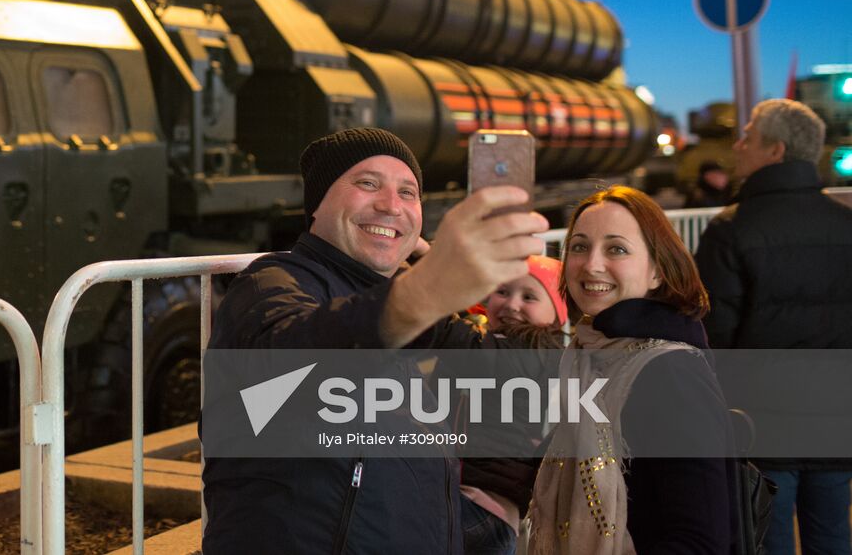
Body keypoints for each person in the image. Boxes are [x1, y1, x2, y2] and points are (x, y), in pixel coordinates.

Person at [201, 127, 548, 555]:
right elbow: (294, 366)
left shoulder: (403, 305)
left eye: (408, 193)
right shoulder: (269, 285)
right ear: (317, 205)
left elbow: (518, 371)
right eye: (367, 183)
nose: (390, 205)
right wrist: (427, 288)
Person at [529, 186, 734, 555]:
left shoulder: (670, 371)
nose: (591, 264)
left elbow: (701, 540)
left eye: (616, 249)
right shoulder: (591, 355)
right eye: (579, 246)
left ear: (657, 271)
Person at [695, 98, 852, 555]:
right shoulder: (847, 225)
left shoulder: (732, 228)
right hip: (837, 418)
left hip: (761, 424)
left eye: (748, 136)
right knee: (833, 537)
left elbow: (713, 337)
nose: (738, 145)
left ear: (776, 151)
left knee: (766, 537)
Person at [452, 256, 569, 555]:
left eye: (529, 296)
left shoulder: (534, 350)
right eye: (502, 291)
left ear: (557, 315)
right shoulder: (506, 345)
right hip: (489, 508)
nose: (512, 304)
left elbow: (458, 341)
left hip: (481, 506)